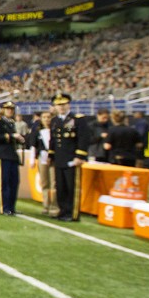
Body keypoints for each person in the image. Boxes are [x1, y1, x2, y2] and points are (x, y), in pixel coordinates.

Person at [48, 93, 89, 221]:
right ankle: (63, 210)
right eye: (58, 105)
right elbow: (53, 140)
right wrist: (51, 155)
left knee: (72, 187)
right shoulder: (55, 120)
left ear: (68, 104)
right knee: (61, 187)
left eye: (63, 104)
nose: (61, 107)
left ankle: (73, 213)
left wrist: (79, 156)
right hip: (59, 159)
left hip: (72, 159)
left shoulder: (77, 119)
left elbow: (83, 139)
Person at [0, 101, 24, 215]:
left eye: (11, 109)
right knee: (4, 182)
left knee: (14, 182)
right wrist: (12, 136)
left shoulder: (11, 122)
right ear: (2, 109)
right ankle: (3, 207)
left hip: (11, 154)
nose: (10, 111)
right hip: (2, 154)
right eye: (7, 109)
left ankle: (11, 207)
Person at [33, 110, 60, 217]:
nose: (46, 119)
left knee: (54, 182)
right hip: (42, 158)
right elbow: (33, 144)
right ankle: (45, 204)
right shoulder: (37, 130)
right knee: (45, 182)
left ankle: (54, 205)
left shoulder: (55, 130)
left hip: (54, 158)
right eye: (44, 117)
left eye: (48, 117)